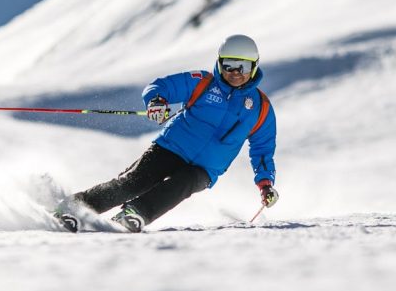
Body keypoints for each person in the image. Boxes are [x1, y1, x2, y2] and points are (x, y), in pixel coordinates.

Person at [55, 34, 278, 232]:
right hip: (171, 147)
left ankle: (135, 213)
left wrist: (265, 184)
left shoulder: (261, 108)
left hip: (206, 168)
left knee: (182, 185)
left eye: (243, 67)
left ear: (254, 67)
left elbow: (262, 150)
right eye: (229, 65)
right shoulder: (203, 82)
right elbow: (161, 86)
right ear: (220, 64)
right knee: (133, 183)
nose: (235, 73)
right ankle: (73, 208)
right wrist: (157, 101)